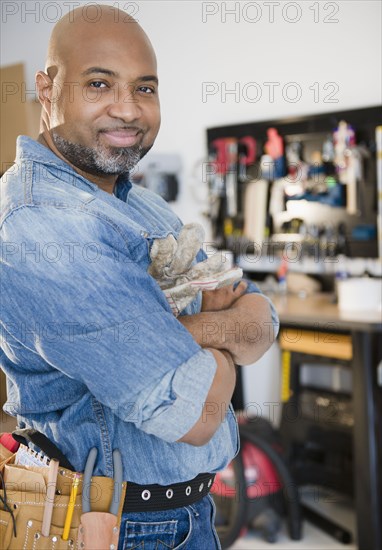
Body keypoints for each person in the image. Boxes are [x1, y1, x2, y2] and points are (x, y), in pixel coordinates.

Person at [0, 5, 278, 548]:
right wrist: (220, 330)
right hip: (118, 526)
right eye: (99, 83)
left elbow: (262, 317)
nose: (127, 110)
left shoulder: (139, 204)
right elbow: (194, 411)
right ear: (47, 88)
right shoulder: (45, 224)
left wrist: (189, 334)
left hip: (185, 512)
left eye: (145, 88)